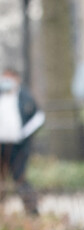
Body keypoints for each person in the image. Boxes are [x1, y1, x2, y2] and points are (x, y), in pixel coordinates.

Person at [0, 68, 44, 215]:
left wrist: (24, 134)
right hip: (1, 144)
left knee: (19, 177)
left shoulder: (25, 97)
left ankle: (32, 210)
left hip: (18, 145)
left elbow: (38, 118)